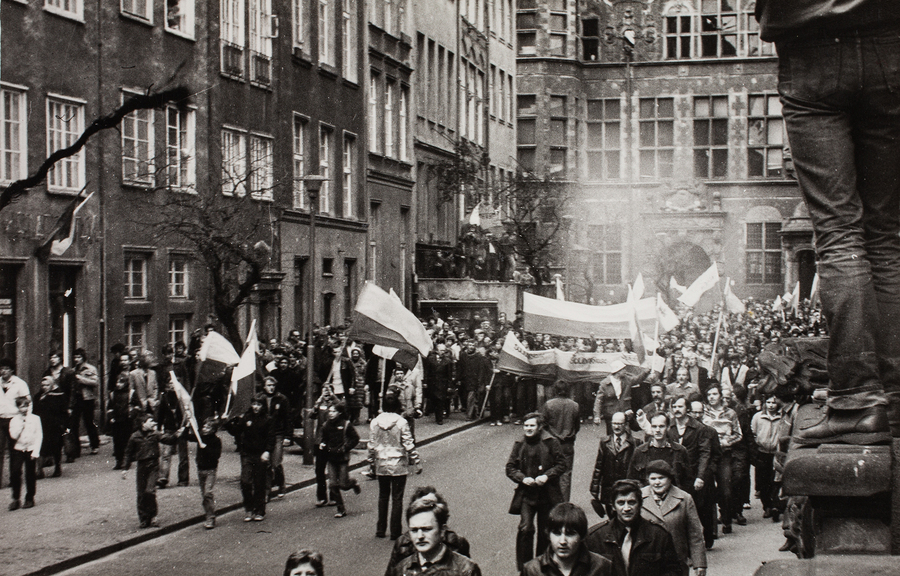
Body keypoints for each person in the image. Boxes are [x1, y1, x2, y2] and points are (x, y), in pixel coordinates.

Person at [756, 1, 900, 445]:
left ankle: (858, 399)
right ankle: (894, 396)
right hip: (891, 41)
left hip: (809, 45)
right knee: (888, 237)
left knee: (839, 236)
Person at [506, 412, 567, 572]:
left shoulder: (551, 442)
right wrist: (522, 478)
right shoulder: (519, 443)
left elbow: (562, 464)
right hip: (527, 495)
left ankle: (541, 566)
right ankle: (525, 568)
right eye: (526, 425)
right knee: (525, 529)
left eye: (532, 425)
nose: (528, 429)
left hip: (547, 495)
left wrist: (547, 476)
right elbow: (510, 467)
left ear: (539, 427)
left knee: (545, 532)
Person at [584, 479, 682, 576]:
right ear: (613, 506)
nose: (626, 508)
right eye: (621, 503)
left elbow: (674, 572)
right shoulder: (595, 537)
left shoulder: (659, 536)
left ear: (640, 504)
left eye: (631, 502)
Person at [368, 390, 422, 540]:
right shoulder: (401, 422)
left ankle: (380, 529)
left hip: (381, 462)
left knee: (383, 496)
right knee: (397, 498)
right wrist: (416, 461)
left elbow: (371, 445)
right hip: (398, 463)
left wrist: (371, 462)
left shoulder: (375, 422)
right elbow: (408, 443)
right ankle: (395, 531)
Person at [384, 487, 472, 576]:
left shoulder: (459, 551)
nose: (420, 536)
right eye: (414, 530)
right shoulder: (402, 562)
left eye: (426, 529)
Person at [640, 461, 706, 576]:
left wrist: (699, 563)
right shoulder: (638, 497)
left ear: (670, 478)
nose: (657, 482)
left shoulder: (684, 498)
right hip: (645, 561)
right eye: (653, 478)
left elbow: (695, 533)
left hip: (676, 561)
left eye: (661, 478)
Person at [667, 398, 717, 550]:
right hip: (678, 475)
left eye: (680, 406)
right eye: (674, 406)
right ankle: (688, 544)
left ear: (687, 409)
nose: (677, 409)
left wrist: (701, 476)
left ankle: (708, 533)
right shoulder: (670, 428)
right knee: (682, 509)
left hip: (695, 473)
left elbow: (704, 453)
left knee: (702, 508)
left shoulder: (699, 428)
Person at [523, 502, 613, 576]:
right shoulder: (532, 570)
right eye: (557, 533)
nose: (562, 541)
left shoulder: (602, 567)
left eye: (570, 534)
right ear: (548, 535)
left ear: (582, 535)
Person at [122, 414, 178, 528]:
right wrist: (125, 468)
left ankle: (153, 516)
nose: (154, 423)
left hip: (153, 465)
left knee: (150, 491)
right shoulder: (134, 437)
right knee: (141, 493)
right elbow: (128, 453)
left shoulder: (155, 434)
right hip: (141, 466)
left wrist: (177, 434)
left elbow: (168, 439)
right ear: (143, 424)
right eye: (151, 421)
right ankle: (143, 519)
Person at [225, 394, 274, 522]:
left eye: (259, 405)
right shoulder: (247, 417)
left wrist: (267, 451)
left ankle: (259, 510)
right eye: (254, 404)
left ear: (263, 406)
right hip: (247, 454)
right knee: (245, 481)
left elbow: (271, 438)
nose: (256, 407)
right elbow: (236, 430)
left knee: (259, 483)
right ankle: (249, 508)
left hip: (260, 454)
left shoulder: (268, 420)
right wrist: (227, 423)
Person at [701, 385, 742, 534]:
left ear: (720, 396)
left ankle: (726, 518)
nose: (712, 397)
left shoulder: (730, 413)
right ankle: (711, 527)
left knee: (726, 489)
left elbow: (738, 434)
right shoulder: (704, 413)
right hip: (709, 455)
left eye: (714, 394)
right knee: (708, 490)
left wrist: (726, 442)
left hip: (724, 455)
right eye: (709, 394)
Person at [318, 401, 361, 518]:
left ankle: (353, 483)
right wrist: (323, 444)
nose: (330, 414)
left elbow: (355, 438)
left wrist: (345, 448)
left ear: (339, 412)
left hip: (342, 458)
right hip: (331, 458)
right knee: (332, 485)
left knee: (343, 484)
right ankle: (340, 509)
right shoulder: (326, 425)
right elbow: (324, 438)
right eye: (329, 411)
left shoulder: (346, 424)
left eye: (333, 411)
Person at [541, 380, 581, 502]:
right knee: (566, 475)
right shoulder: (574, 405)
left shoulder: (548, 404)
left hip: (552, 443)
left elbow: (543, 424)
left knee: (550, 472)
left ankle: (551, 500)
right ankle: (564, 503)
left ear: (555, 390)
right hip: (568, 444)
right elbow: (577, 425)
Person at [628, 413, 690, 491]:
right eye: (654, 426)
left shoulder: (680, 451)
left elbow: (688, 481)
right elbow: (632, 480)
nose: (657, 430)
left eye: (661, 426)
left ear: (668, 428)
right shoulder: (640, 451)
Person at [590, 412, 635, 519]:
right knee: (612, 520)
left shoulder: (635, 443)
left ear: (625, 425)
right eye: (614, 423)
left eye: (620, 424)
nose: (616, 426)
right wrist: (594, 489)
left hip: (627, 489)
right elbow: (598, 467)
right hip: (608, 490)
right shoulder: (605, 442)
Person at [1, 358, 31, 489]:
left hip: (14, 420)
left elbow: (27, 402)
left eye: (6, 368)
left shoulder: (19, 384)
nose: (3, 371)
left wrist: (26, 419)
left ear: (12, 370)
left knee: (15, 450)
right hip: (0, 419)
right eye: (1, 369)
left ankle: (14, 478)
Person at [751, 395, 782, 521]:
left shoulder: (781, 417)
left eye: (773, 403)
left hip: (775, 453)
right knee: (763, 481)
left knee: (774, 480)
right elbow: (753, 432)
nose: (771, 405)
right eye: (768, 402)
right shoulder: (758, 417)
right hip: (762, 452)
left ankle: (775, 506)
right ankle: (767, 506)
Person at [8, 396, 41, 510]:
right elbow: (13, 436)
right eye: (22, 406)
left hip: (30, 449)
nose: (25, 408)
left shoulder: (35, 419)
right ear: (17, 407)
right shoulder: (14, 420)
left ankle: (29, 497)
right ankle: (16, 498)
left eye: (26, 406)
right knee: (15, 472)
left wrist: (35, 452)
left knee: (30, 473)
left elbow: (38, 436)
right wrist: (21, 425)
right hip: (19, 449)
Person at [155, 375, 189, 488]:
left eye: (173, 384)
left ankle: (183, 479)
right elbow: (160, 413)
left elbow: (188, 414)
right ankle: (163, 478)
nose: (171, 386)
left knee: (183, 455)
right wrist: (158, 427)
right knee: (166, 454)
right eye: (169, 384)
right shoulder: (164, 397)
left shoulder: (183, 398)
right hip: (169, 428)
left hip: (181, 428)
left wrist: (184, 427)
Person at [261, 376, 291, 499]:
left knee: (276, 462)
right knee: (265, 463)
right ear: (264, 386)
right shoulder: (260, 399)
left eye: (273, 385)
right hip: (264, 434)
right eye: (268, 385)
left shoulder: (281, 399)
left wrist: (288, 436)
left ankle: (281, 485)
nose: (271, 388)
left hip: (278, 433)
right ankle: (267, 491)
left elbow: (288, 418)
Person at [33, 375, 68, 478]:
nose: (44, 387)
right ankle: (39, 471)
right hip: (41, 425)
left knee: (56, 448)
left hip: (54, 427)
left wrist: (63, 425)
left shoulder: (59, 396)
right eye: (42, 385)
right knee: (40, 447)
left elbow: (63, 412)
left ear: (52, 385)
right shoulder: (38, 396)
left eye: (47, 385)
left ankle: (57, 467)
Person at [107, 353, 136, 470]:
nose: (118, 384)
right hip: (117, 420)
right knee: (117, 442)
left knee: (126, 441)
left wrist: (131, 413)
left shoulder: (130, 394)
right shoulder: (113, 394)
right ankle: (118, 460)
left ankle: (126, 460)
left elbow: (134, 405)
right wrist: (111, 416)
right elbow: (110, 407)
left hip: (126, 420)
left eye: (121, 382)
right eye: (117, 382)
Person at [69, 348, 100, 456]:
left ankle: (95, 445)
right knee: (74, 424)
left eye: (79, 357)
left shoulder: (90, 368)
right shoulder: (73, 370)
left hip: (87, 398)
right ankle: (76, 449)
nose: (76, 359)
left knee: (89, 422)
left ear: (83, 358)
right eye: (75, 357)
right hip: (76, 399)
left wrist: (81, 379)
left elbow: (95, 382)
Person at [194, 416, 222, 529]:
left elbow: (216, 455)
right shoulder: (199, 437)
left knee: (207, 493)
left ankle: (210, 518)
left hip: (211, 470)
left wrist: (205, 448)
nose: (204, 428)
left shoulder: (216, 441)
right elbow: (187, 436)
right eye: (204, 426)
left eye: (208, 427)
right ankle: (209, 514)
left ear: (213, 429)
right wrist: (187, 425)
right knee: (204, 495)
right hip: (200, 470)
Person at [593, 361, 632, 436]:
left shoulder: (626, 380)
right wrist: (597, 415)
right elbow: (598, 400)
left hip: (623, 412)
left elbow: (637, 379)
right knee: (611, 435)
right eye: (623, 369)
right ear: (618, 371)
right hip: (610, 414)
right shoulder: (604, 383)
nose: (625, 371)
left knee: (626, 434)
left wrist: (646, 371)